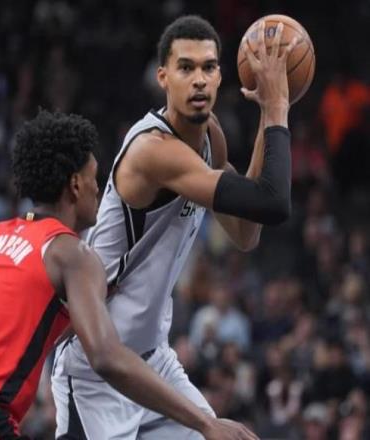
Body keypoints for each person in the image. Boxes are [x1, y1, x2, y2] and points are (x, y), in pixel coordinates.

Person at [0, 109, 257, 439]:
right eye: (93, 177)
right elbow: (106, 358)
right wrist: (204, 422)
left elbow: (12, 325)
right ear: (74, 185)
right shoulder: (71, 254)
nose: (99, 188)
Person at [52, 15, 297, 439]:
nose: (199, 79)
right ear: (163, 77)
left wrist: (264, 114)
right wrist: (278, 109)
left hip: (154, 361)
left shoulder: (212, 139)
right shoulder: (153, 151)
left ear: (220, 76)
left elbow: (246, 232)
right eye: (186, 67)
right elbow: (274, 203)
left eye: (208, 67)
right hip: (98, 370)